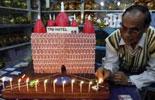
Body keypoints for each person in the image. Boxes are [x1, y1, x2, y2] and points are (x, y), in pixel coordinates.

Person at [95, 4, 155, 89]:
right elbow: (111, 63)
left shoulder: (153, 40)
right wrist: (107, 71)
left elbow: (153, 73)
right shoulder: (113, 39)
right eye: (123, 27)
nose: (126, 34)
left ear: (146, 28)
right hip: (119, 83)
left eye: (134, 30)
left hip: (144, 86)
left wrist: (130, 80)